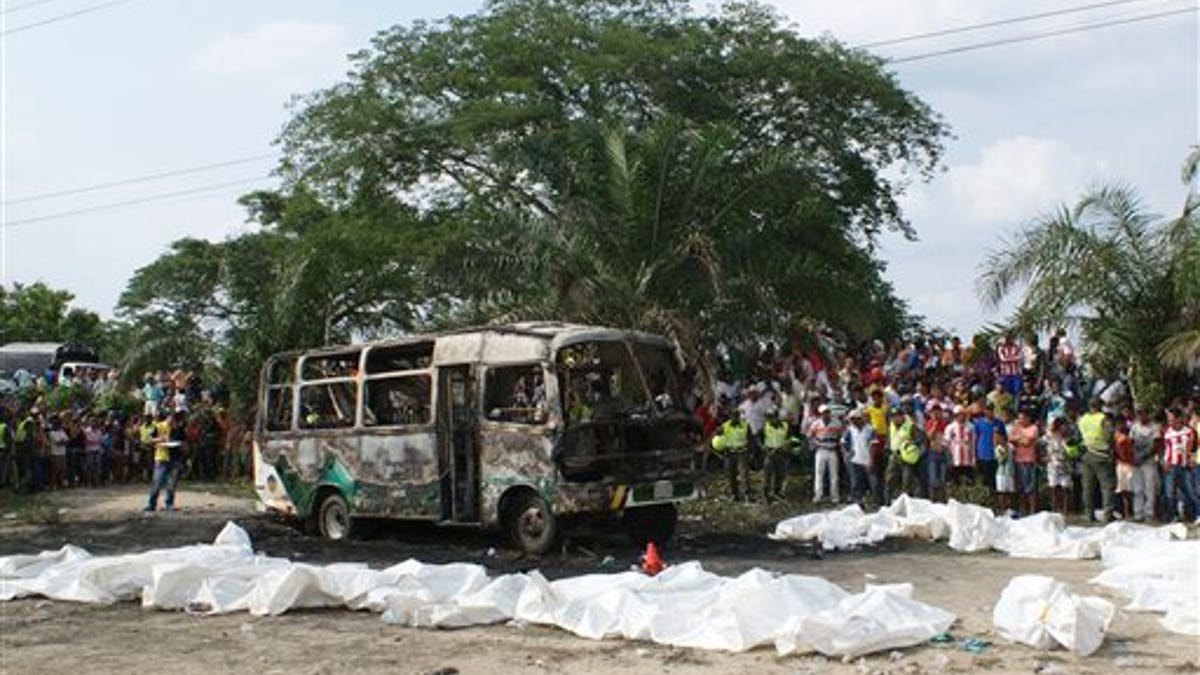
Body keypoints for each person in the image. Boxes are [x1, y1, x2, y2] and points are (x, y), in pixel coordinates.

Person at [1078, 398, 1115, 523]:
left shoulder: (1082, 419)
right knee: (1107, 486)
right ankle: (1108, 514)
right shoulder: (1103, 418)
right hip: (1101, 455)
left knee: (1087, 487)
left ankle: (1089, 514)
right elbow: (1108, 436)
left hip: (1086, 454)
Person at [1161, 409, 1198, 522]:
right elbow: (1166, 448)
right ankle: (1174, 516)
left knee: (1190, 492)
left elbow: (1193, 448)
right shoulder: (1167, 432)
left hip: (1185, 466)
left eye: (1172, 419)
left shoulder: (1189, 432)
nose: (1170, 422)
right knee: (1169, 493)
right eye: (1169, 420)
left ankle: (1196, 515)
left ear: (1179, 419)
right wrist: (1164, 462)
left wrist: (1191, 459)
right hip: (1171, 466)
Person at [843, 407, 883, 506]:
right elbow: (843, 442)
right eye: (851, 419)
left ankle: (879, 502)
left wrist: (871, 460)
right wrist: (847, 453)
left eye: (854, 419)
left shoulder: (870, 429)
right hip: (855, 460)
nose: (852, 421)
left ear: (859, 418)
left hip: (868, 460)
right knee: (856, 482)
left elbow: (873, 445)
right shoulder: (850, 430)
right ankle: (858, 502)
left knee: (874, 482)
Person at [146, 412, 184, 512]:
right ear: (168, 417)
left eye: (175, 421)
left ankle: (169, 504)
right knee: (157, 483)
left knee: (171, 484)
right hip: (161, 457)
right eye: (171, 420)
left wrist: (181, 445)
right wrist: (160, 439)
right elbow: (149, 439)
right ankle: (151, 504)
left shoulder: (179, 429)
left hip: (175, 459)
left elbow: (183, 442)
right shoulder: (158, 426)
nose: (172, 423)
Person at [1129, 407, 1161, 522]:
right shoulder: (1134, 427)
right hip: (1136, 462)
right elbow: (1131, 443)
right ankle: (1138, 513)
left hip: (1149, 461)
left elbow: (1156, 445)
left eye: (1142, 414)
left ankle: (1149, 514)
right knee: (1137, 489)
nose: (1140, 417)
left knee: (1150, 488)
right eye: (1138, 414)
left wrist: (1143, 457)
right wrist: (1133, 457)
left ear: (1147, 414)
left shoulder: (1155, 427)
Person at [712, 408, 750, 502]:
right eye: (733, 416)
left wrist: (750, 451)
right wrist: (718, 432)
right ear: (730, 416)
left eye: (736, 416)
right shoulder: (725, 426)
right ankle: (734, 494)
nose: (735, 418)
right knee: (731, 475)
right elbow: (717, 436)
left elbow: (750, 438)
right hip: (730, 453)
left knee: (744, 474)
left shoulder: (745, 425)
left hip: (742, 452)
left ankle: (746, 495)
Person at [808, 404, 843, 504]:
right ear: (820, 414)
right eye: (824, 413)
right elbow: (810, 436)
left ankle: (835, 497)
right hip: (821, 449)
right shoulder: (816, 424)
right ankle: (818, 495)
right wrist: (814, 446)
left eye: (827, 412)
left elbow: (841, 436)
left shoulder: (836, 423)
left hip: (832, 450)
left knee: (834, 475)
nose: (826, 414)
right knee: (819, 474)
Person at [1010, 409, 1040, 515]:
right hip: (1018, 459)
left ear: (1028, 418)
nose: (1020, 420)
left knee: (1030, 487)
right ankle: (1022, 510)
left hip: (1029, 460)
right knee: (1020, 487)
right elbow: (1010, 439)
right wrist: (1021, 439)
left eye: (1022, 418)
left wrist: (1018, 439)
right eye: (1019, 418)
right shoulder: (1016, 427)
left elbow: (1028, 442)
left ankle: (1032, 510)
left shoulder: (1034, 428)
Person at [972, 404, 1003, 497]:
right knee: (983, 479)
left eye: (991, 410)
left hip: (995, 455)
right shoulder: (979, 423)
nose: (989, 412)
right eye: (987, 410)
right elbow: (975, 439)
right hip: (982, 454)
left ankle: (994, 499)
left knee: (994, 480)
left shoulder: (999, 423)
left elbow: (1004, 437)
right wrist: (974, 455)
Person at [761, 409, 791, 502]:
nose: (770, 420)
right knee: (767, 475)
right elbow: (758, 438)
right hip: (769, 453)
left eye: (772, 417)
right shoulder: (765, 426)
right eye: (768, 418)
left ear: (777, 417)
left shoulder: (785, 426)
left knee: (780, 474)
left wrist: (787, 444)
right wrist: (763, 447)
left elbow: (791, 438)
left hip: (781, 453)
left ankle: (776, 493)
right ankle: (766, 495)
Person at [1044, 417, 1071, 516]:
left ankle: (1065, 510)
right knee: (1054, 487)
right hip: (1053, 463)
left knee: (1065, 488)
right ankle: (1054, 509)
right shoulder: (1049, 435)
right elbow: (1042, 443)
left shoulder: (1067, 436)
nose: (1064, 427)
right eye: (1062, 425)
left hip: (1065, 464)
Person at [1113, 417, 1137, 520]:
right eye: (1118, 424)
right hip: (1121, 465)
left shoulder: (1131, 434)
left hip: (1130, 465)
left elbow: (1132, 449)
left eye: (1122, 423)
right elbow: (1114, 451)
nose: (1120, 426)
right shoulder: (1115, 436)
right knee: (1122, 490)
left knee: (1131, 489)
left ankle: (1131, 511)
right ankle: (1125, 512)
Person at [945, 405, 976, 486]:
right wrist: (949, 457)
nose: (960, 417)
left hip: (967, 458)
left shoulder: (971, 426)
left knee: (969, 481)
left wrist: (973, 457)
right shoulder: (950, 427)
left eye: (962, 414)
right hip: (955, 457)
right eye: (958, 415)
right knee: (955, 481)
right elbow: (947, 443)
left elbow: (973, 442)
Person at [923, 402, 949, 501]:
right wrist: (934, 425)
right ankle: (933, 501)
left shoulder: (945, 424)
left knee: (942, 480)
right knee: (933, 480)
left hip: (943, 453)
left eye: (938, 412)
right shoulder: (929, 423)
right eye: (934, 412)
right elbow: (928, 437)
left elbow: (946, 440)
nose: (936, 414)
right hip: (932, 453)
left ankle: (942, 501)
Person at [995, 408, 1017, 516]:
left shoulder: (1011, 446)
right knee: (1002, 491)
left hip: (1010, 472)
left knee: (1010, 492)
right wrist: (1003, 448)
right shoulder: (998, 448)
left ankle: (1009, 509)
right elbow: (1001, 459)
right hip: (1001, 473)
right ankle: (1002, 509)